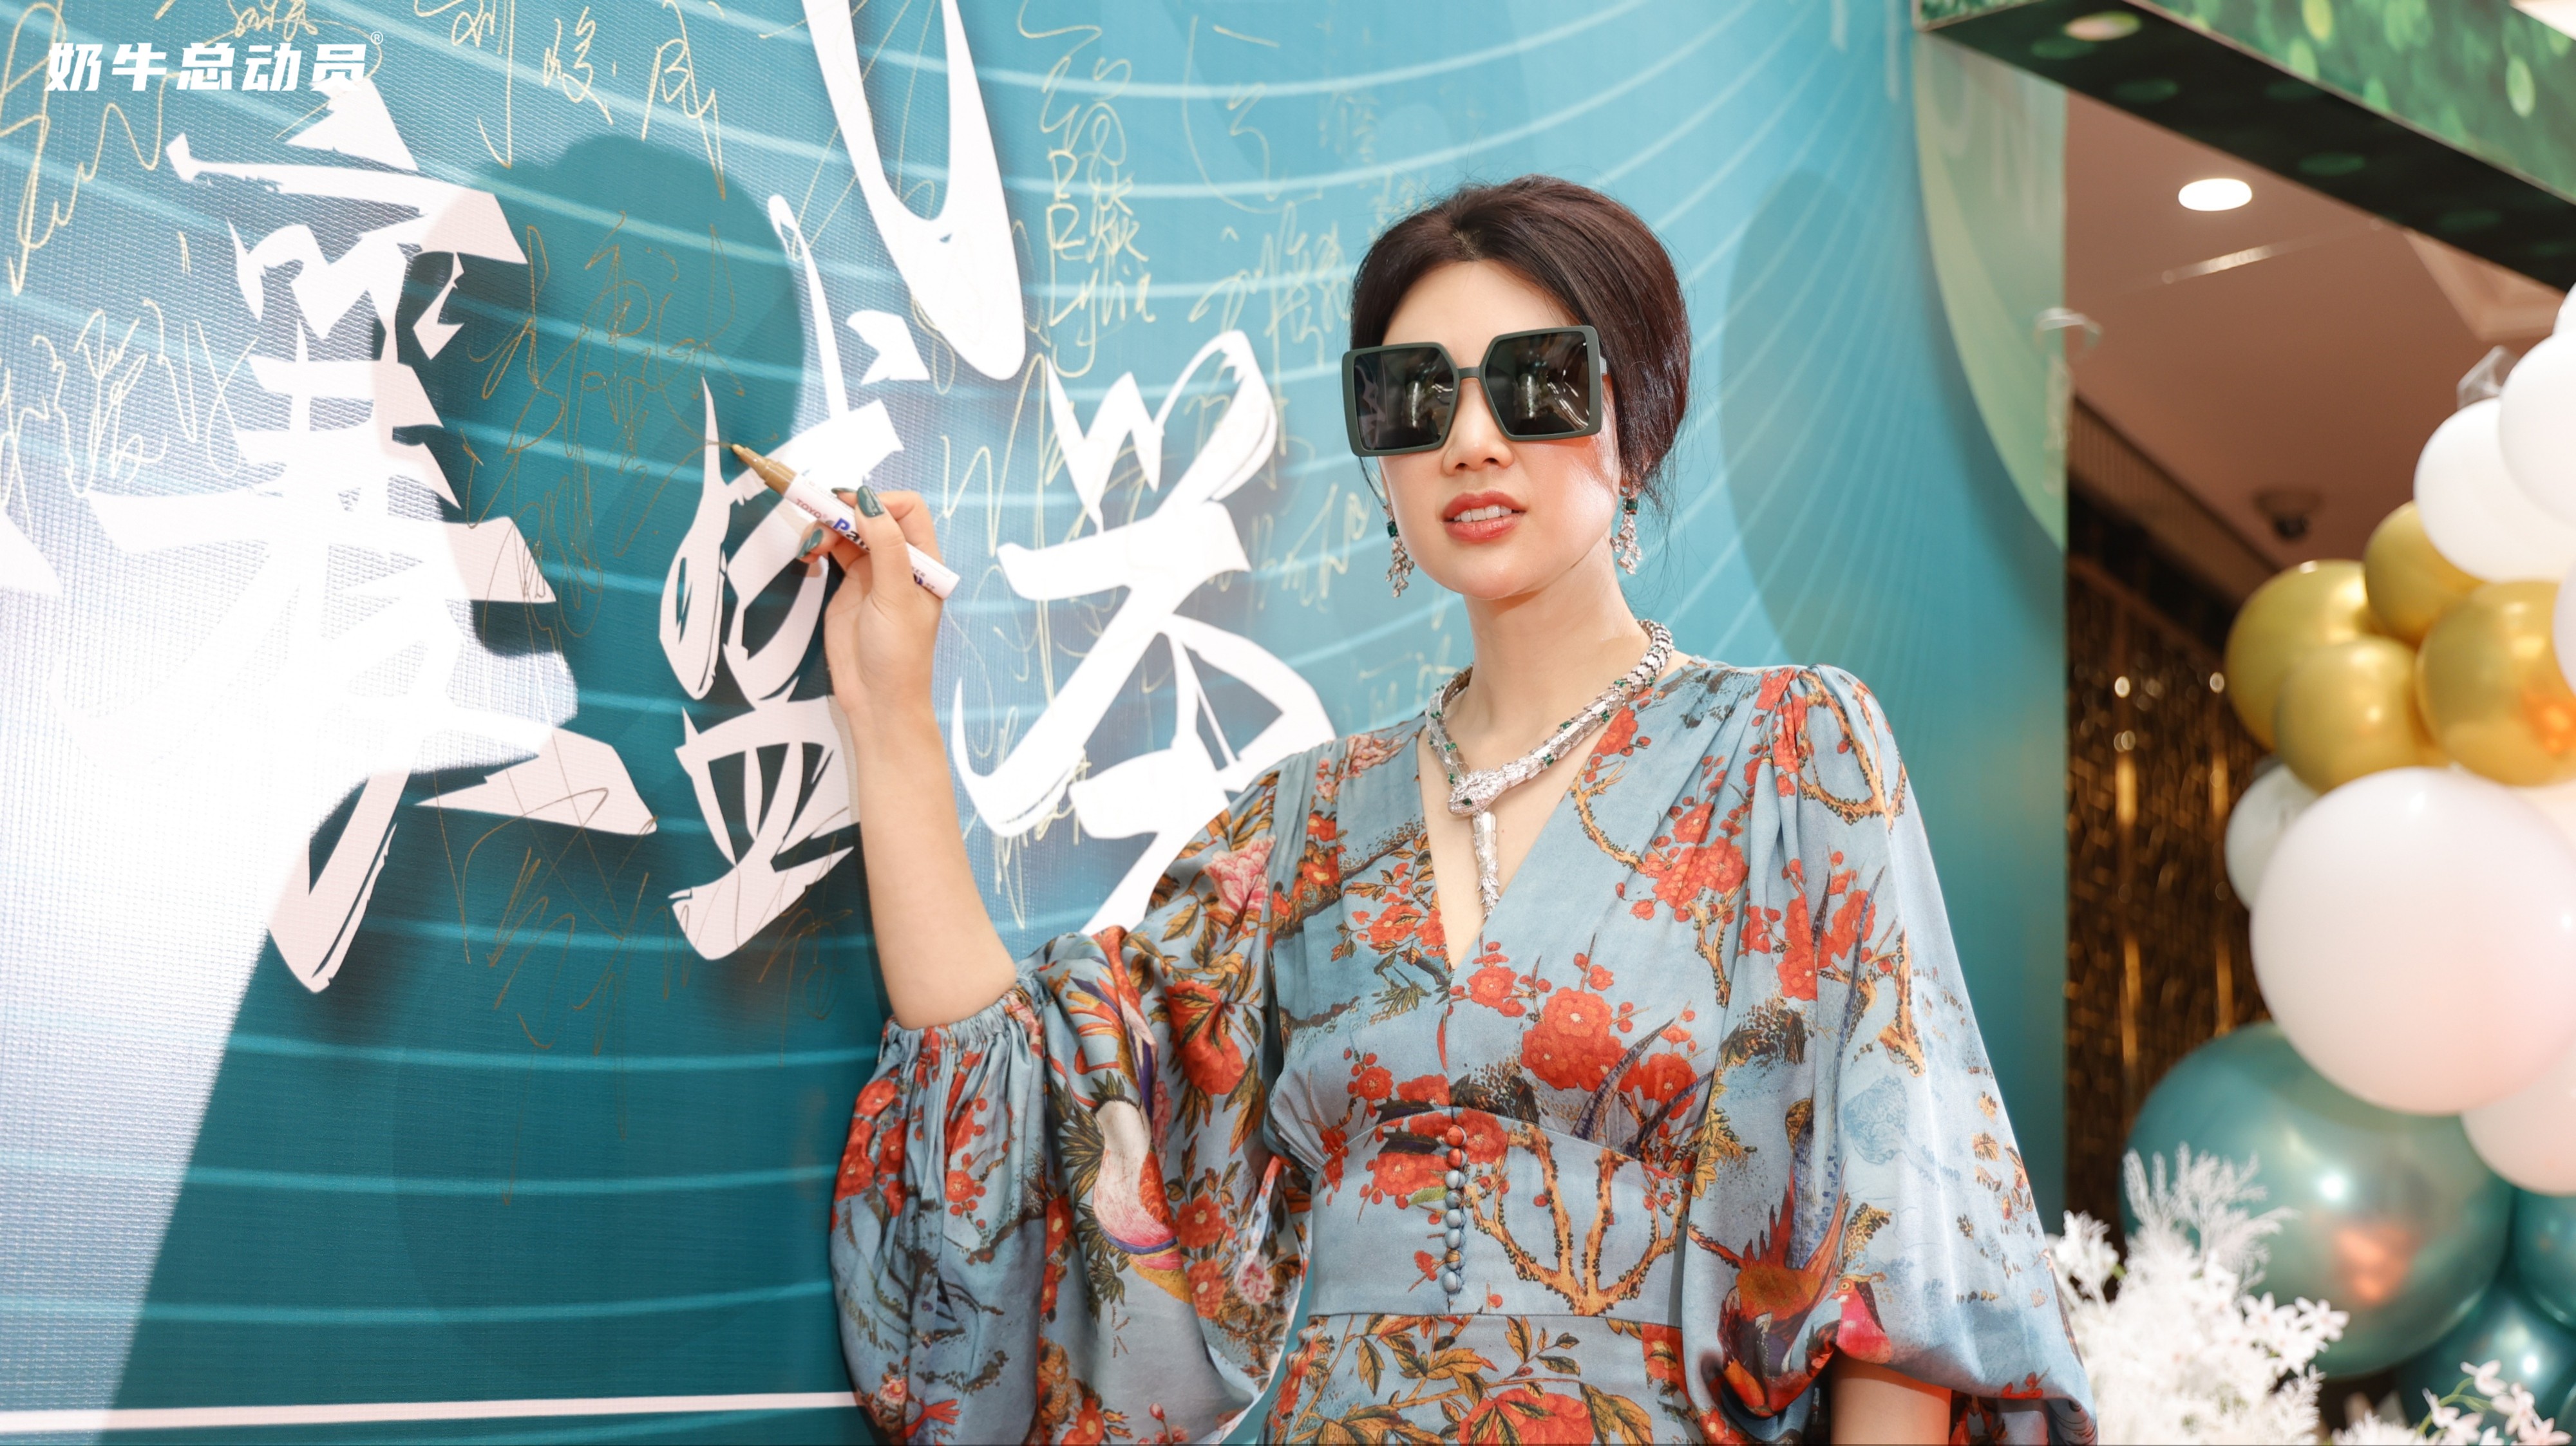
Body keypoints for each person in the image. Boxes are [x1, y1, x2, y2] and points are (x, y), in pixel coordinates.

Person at [808, 176, 2094, 1444]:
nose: (1471, 439)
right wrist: (891, 706)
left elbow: (1906, 1267)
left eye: (1536, 381)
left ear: (1638, 418)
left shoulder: (1788, 758)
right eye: (1416, 396)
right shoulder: (1301, 825)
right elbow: (1040, 1118)